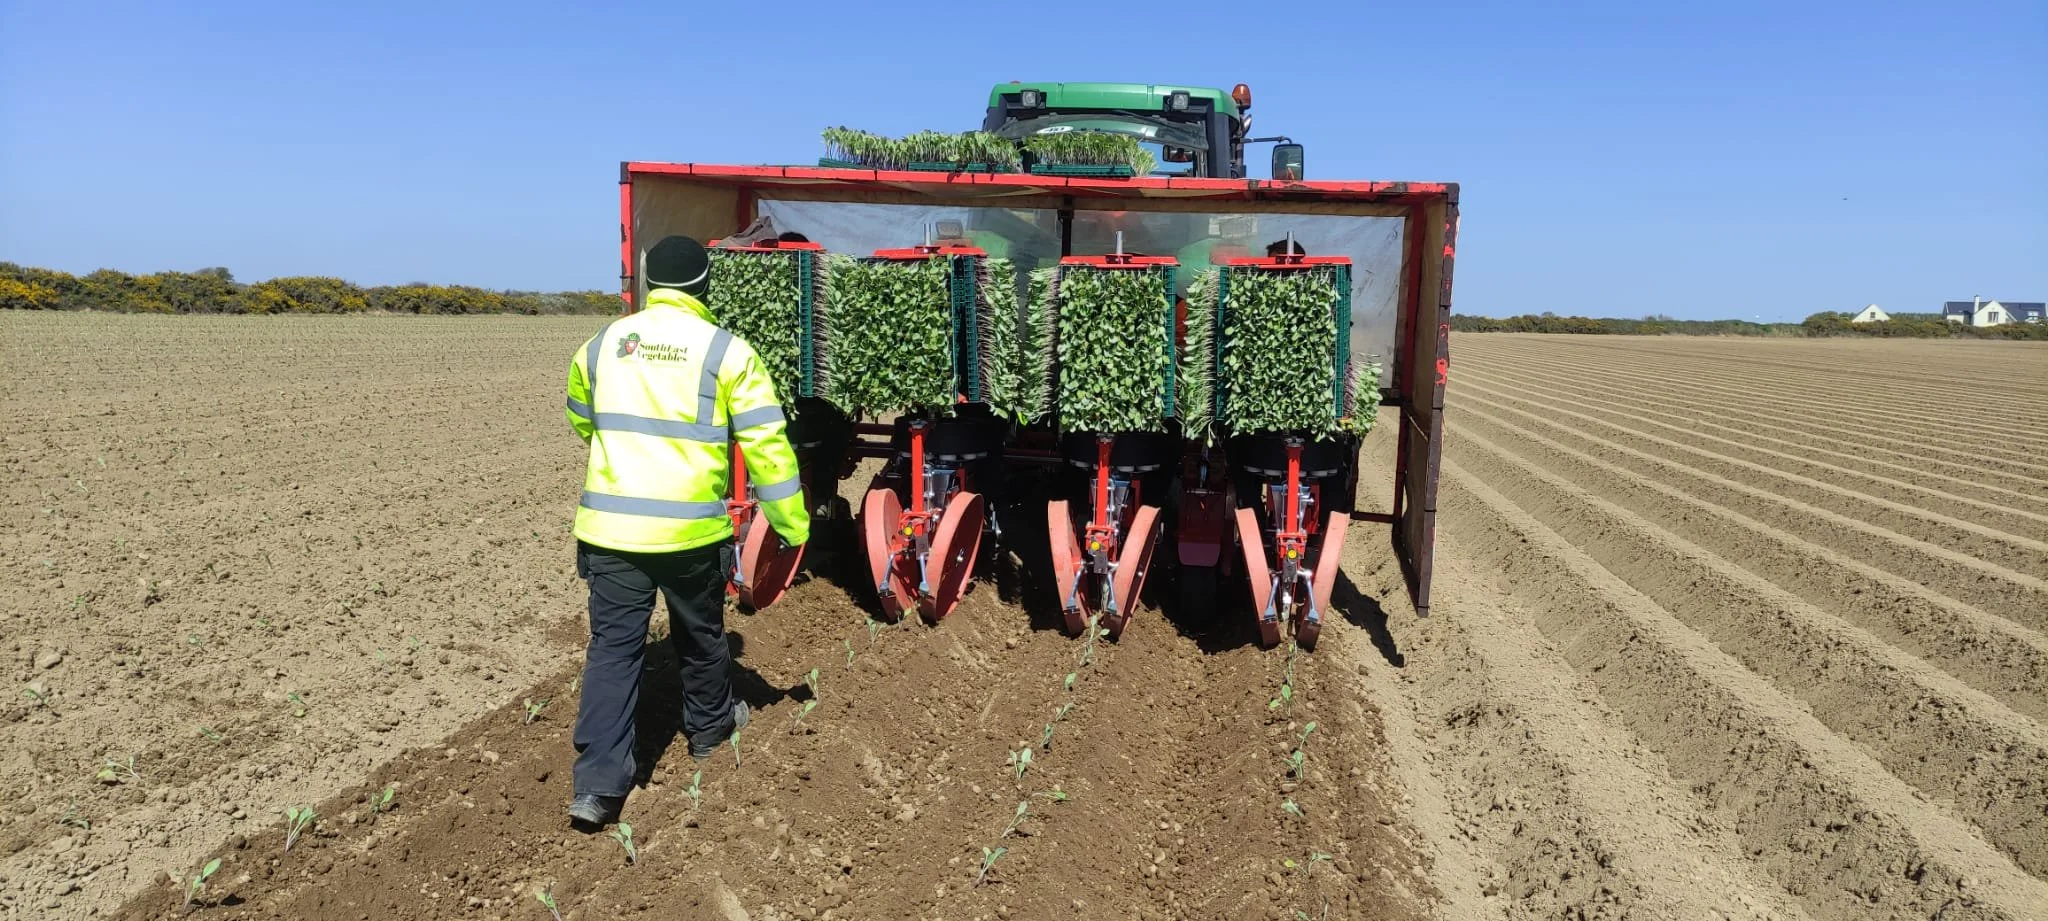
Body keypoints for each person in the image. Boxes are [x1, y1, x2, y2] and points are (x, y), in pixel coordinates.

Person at [562, 235, 810, 829]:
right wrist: (792, 526)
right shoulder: (727, 353)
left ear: (651, 284)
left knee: (613, 652)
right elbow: (767, 447)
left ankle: (597, 787)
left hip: (612, 533)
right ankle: (710, 735)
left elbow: (580, 417)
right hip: (691, 535)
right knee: (701, 638)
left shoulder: (601, 346)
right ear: (703, 286)